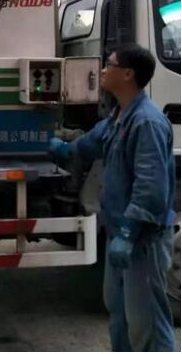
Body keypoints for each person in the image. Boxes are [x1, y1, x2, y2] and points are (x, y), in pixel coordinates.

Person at [50, 43, 176, 352]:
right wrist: (63, 148)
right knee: (118, 312)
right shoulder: (120, 116)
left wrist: (128, 234)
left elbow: (151, 187)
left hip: (141, 239)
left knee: (146, 319)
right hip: (119, 232)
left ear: (128, 74)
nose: (103, 70)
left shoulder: (146, 122)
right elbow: (93, 142)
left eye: (110, 64)